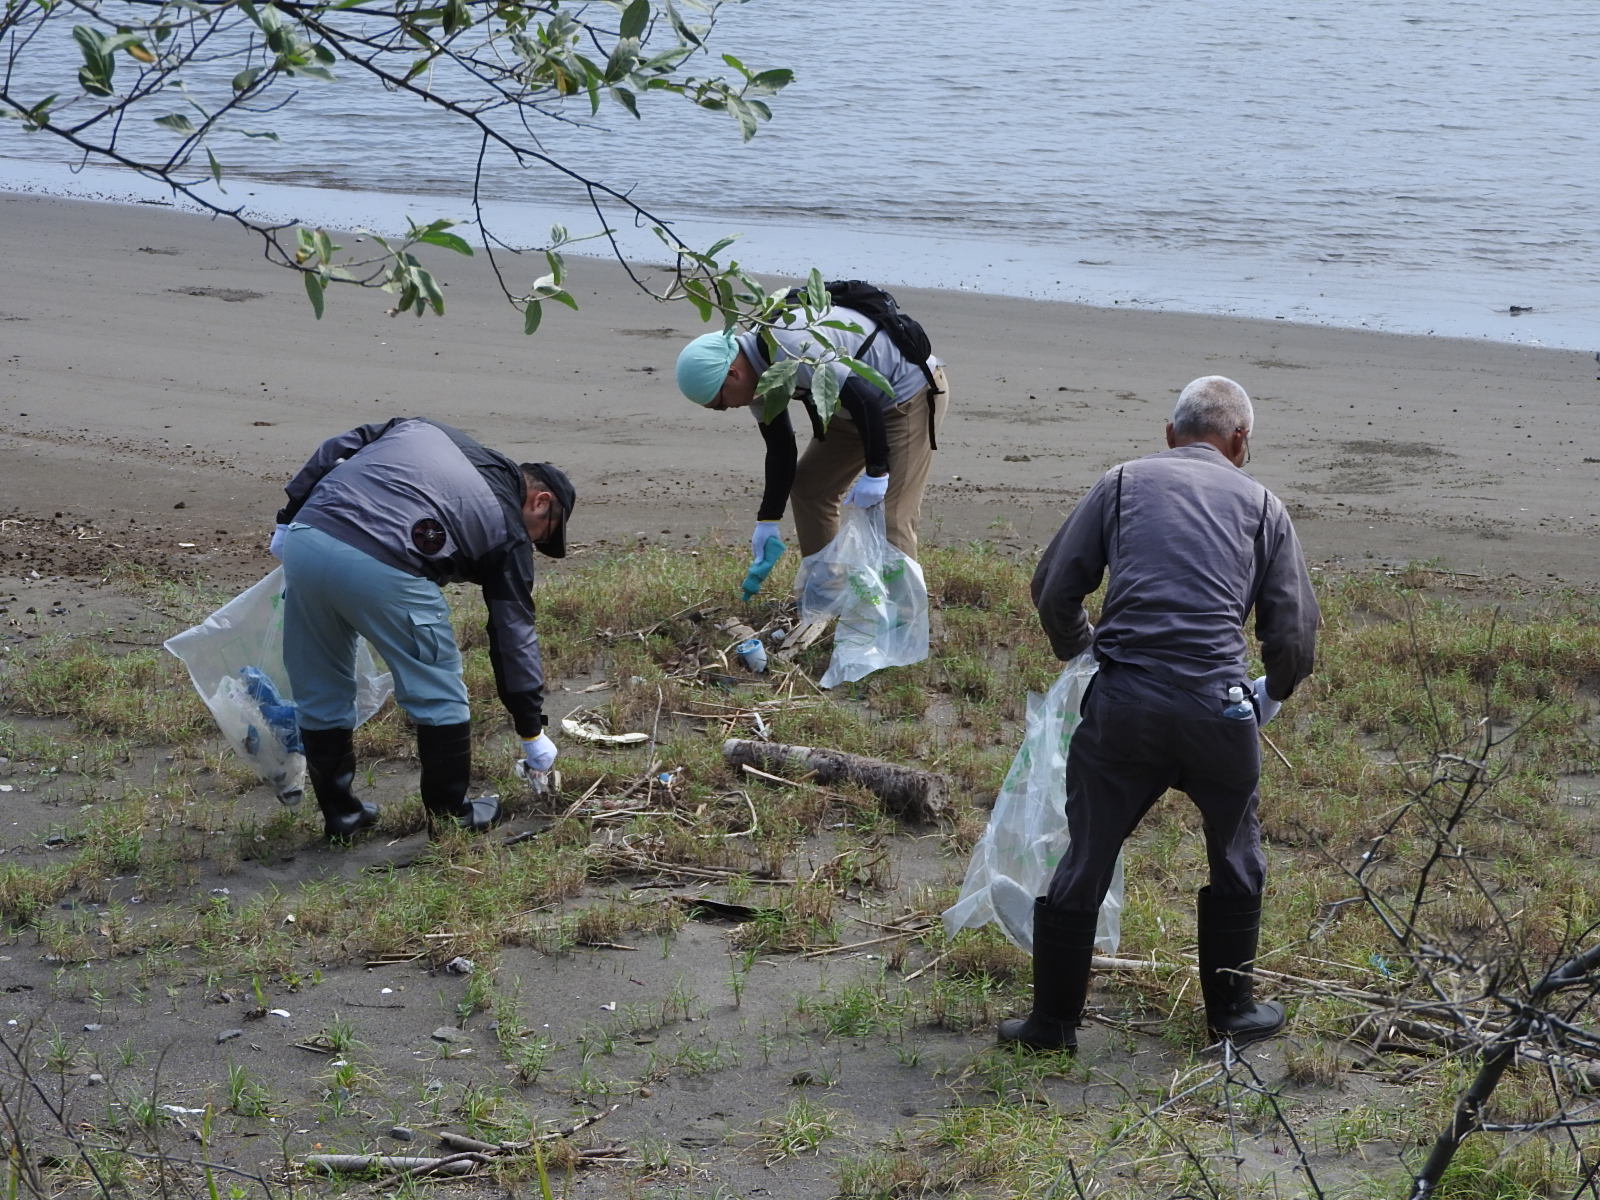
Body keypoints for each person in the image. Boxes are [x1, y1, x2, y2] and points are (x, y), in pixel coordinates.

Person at [1001, 376, 1319, 1052]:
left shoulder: (1121, 484)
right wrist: (1272, 694)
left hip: (1124, 709)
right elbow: (1291, 636)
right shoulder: (1264, 507)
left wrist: (1083, 651)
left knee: (1085, 855)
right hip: (1220, 711)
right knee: (1236, 854)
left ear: (1170, 434)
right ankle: (1230, 1013)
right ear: (1241, 443)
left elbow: (1054, 586)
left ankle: (1052, 1024)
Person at [269, 417, 574, 839]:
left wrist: (289, 518)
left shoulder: (425, 429)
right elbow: (513, 635)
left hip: (308, 538)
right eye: (544, 536)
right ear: (540, 502)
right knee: (439, 692)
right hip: (387, 562)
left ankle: (342, 817)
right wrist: (531, 730)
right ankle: (451, 820)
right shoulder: (507, 528)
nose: (534, 546)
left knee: (320, 688)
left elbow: (340, 444)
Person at [673, 298, 949, 568]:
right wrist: (767, 520)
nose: (729, 408)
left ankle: (902, 611)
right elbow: (781, 447)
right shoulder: (756, 377)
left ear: (733, 374)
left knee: (892, 514)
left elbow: (865, 399)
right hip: (849, 409)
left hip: (908, 396)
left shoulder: (789, 348)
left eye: (721, 404)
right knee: (810, 489)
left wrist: (877, 473)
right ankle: (826, 594)